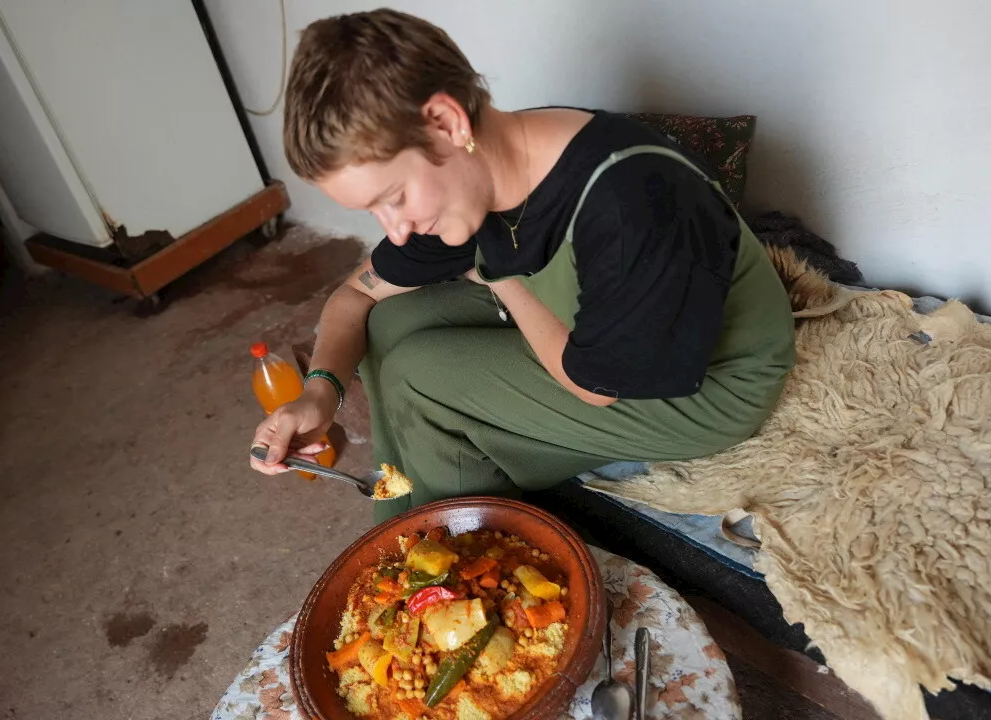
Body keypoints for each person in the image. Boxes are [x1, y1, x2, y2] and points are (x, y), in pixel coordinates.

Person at [249, 9, 795, 523]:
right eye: (372, 209)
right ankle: (413, 511)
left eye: (393, 196)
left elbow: (597, 386)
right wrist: (319, 394)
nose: (395, 228)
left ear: (444, 121)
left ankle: (451, 552)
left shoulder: (632, 200)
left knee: (425, 374)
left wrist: (499, 275)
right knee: (391, 323)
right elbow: (356, 297)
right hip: (600, 333)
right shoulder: (483, 165)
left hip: (710, 387)